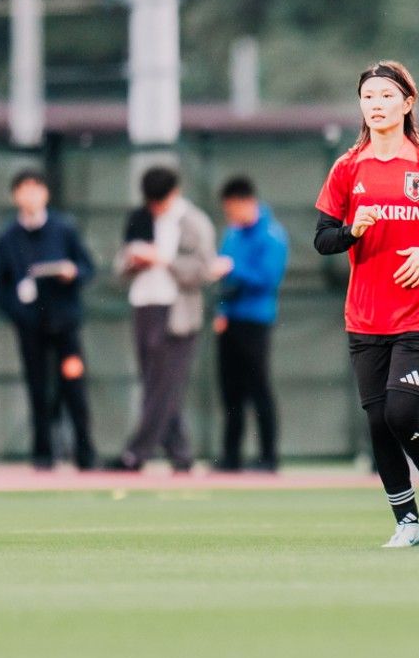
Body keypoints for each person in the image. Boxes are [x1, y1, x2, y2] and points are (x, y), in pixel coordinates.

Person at [314, 62, 419, 548]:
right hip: (365, 316)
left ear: (408, 103)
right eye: (368, 96)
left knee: (401, 415)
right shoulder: (348, 167)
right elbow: (323, 240)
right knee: (377, 421)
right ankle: (406, 524)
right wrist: (353, 230)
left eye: (386, 96)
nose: (376, 105)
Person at [102, 165, 228, 473]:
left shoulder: (194, 222)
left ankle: (135, 453)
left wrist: (164, 260)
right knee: (156, 385)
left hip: (178, 311)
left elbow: (204, 270)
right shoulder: (141, 216)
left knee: (163, 386)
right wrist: (135, 261)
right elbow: (119, 266)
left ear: (175, 193)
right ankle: (181, 454)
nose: (156, 208)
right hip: (144, 306)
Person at [0, 166, 97, 470]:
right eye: (24, 188)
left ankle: (85, 452)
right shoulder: (8, 237)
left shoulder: (65, 229)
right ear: (15, 196)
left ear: (46, 193)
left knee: (74, 385)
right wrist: (19, 311)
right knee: (38, 388)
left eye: (36, 187)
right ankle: (42, 453)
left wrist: (71, 273)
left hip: (65, 325)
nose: (31, 194)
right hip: (31, 328)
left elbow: (87, 268)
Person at [213, 176, 289, 472]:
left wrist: (235, 269)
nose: (230, 216)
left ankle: (268, 456)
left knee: (258, 388)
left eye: (233, 209)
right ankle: (230, 457)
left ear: (247, 203)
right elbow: (222, 281)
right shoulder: (232, 234)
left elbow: (268, 279)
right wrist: (220, 312)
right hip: (230, 321)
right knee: (230, 390)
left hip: (255, 321)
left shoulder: (272, 235)